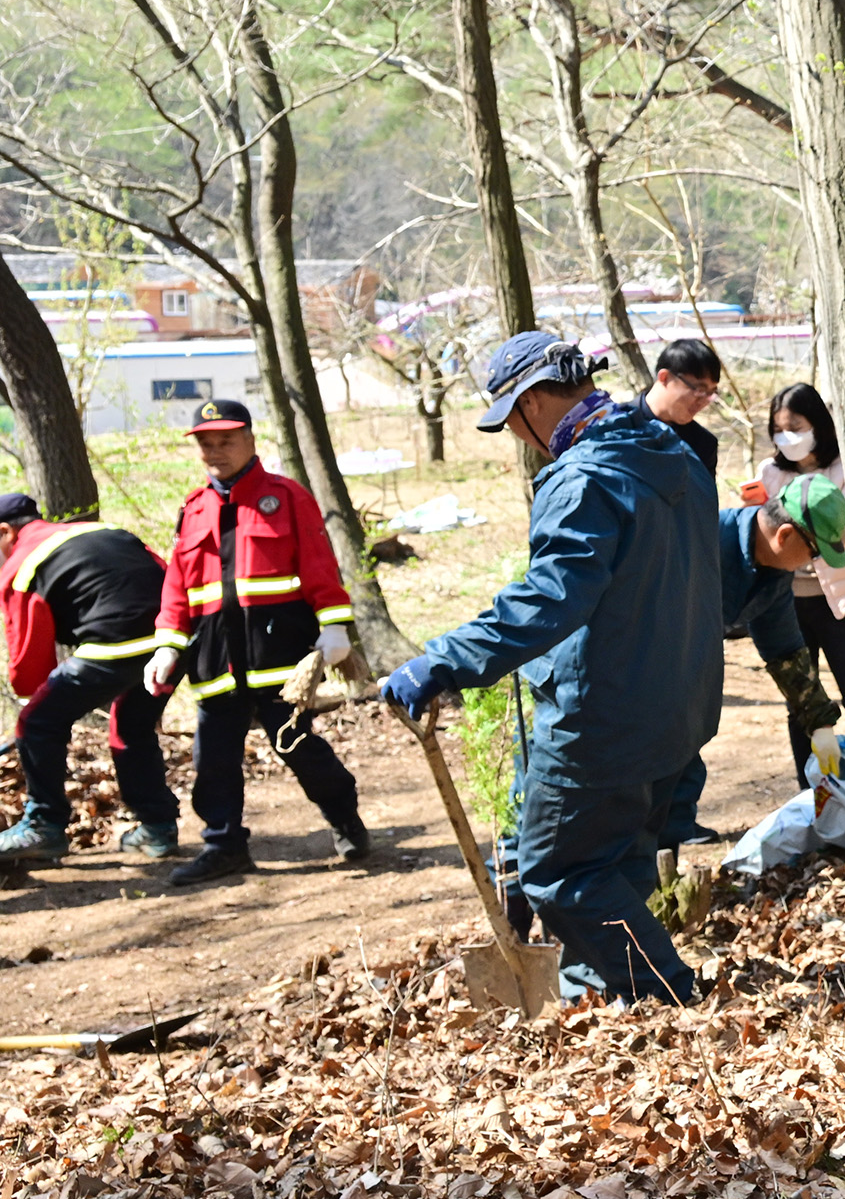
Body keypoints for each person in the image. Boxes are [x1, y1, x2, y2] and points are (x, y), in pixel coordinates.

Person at [380, 333, 721, 1003]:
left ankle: (667, 994)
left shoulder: (586, 475)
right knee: (617, 861)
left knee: (557, 869)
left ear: (534, 401)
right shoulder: (675, 457)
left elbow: (550, 598)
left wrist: (443, 660)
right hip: (678, 706)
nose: (517, 433)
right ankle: (603, 995)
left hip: (607, 715)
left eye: (511, 416)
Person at [142, 398, 368, 887]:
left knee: (302, 750)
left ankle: (345, 819)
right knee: (213, 762)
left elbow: (318, 567)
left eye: (225, 440)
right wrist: (167, 644)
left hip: (279, 664)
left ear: (249, 439)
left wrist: (335, 628)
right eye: (206, 443)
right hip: (215, 664)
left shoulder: (286, 497)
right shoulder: (194, 508)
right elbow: (178, 587)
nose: (215, 451)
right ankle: (224, 847)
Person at [651, 483, 845, 859]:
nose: (810, 563)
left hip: (686, 669)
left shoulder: (772, 576)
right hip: (644, 664)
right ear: (785, 534)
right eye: (811, 553)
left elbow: (785, 649)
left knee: (687, 742)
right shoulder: (703, 536)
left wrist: (821, 724)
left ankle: (673, 838)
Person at [0, 493, 177, 867]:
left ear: (4, 532)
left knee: (36, 722)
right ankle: (158, 827)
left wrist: (37, 700)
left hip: (114, 645)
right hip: (174, 640)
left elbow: (29, 670)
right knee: (131, 726)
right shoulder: (105, 530)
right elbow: (166, 572)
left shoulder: (22, 564)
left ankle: (44, 825)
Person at [759, 380, 845, 744]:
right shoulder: (771, 473)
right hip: (791, 602)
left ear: (818, 424)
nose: (787, 438)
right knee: (802, 706)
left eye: (795, 429)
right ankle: (811, 790)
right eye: (778, 431)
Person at [644, 337, 726, 482]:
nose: (703, 402)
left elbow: (704, 502)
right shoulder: (614, 424)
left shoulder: (703, 444)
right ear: (665, 377)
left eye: (711, 393)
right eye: (700, 389)